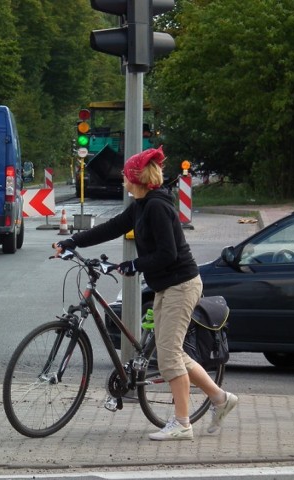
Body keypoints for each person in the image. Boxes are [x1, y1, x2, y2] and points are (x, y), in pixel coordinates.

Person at [54, 146, 237, 441]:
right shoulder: (141, 205)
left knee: (168, 357)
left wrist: (134, 265)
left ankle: (182, 423)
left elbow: (168, 253)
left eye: (126, 177)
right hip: (167, 284)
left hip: (181, 284)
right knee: (171, 353)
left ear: (135, 179)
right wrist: (73, 240)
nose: (123, 182)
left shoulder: (157, 207)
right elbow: (113, 227)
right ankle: (220, 398)